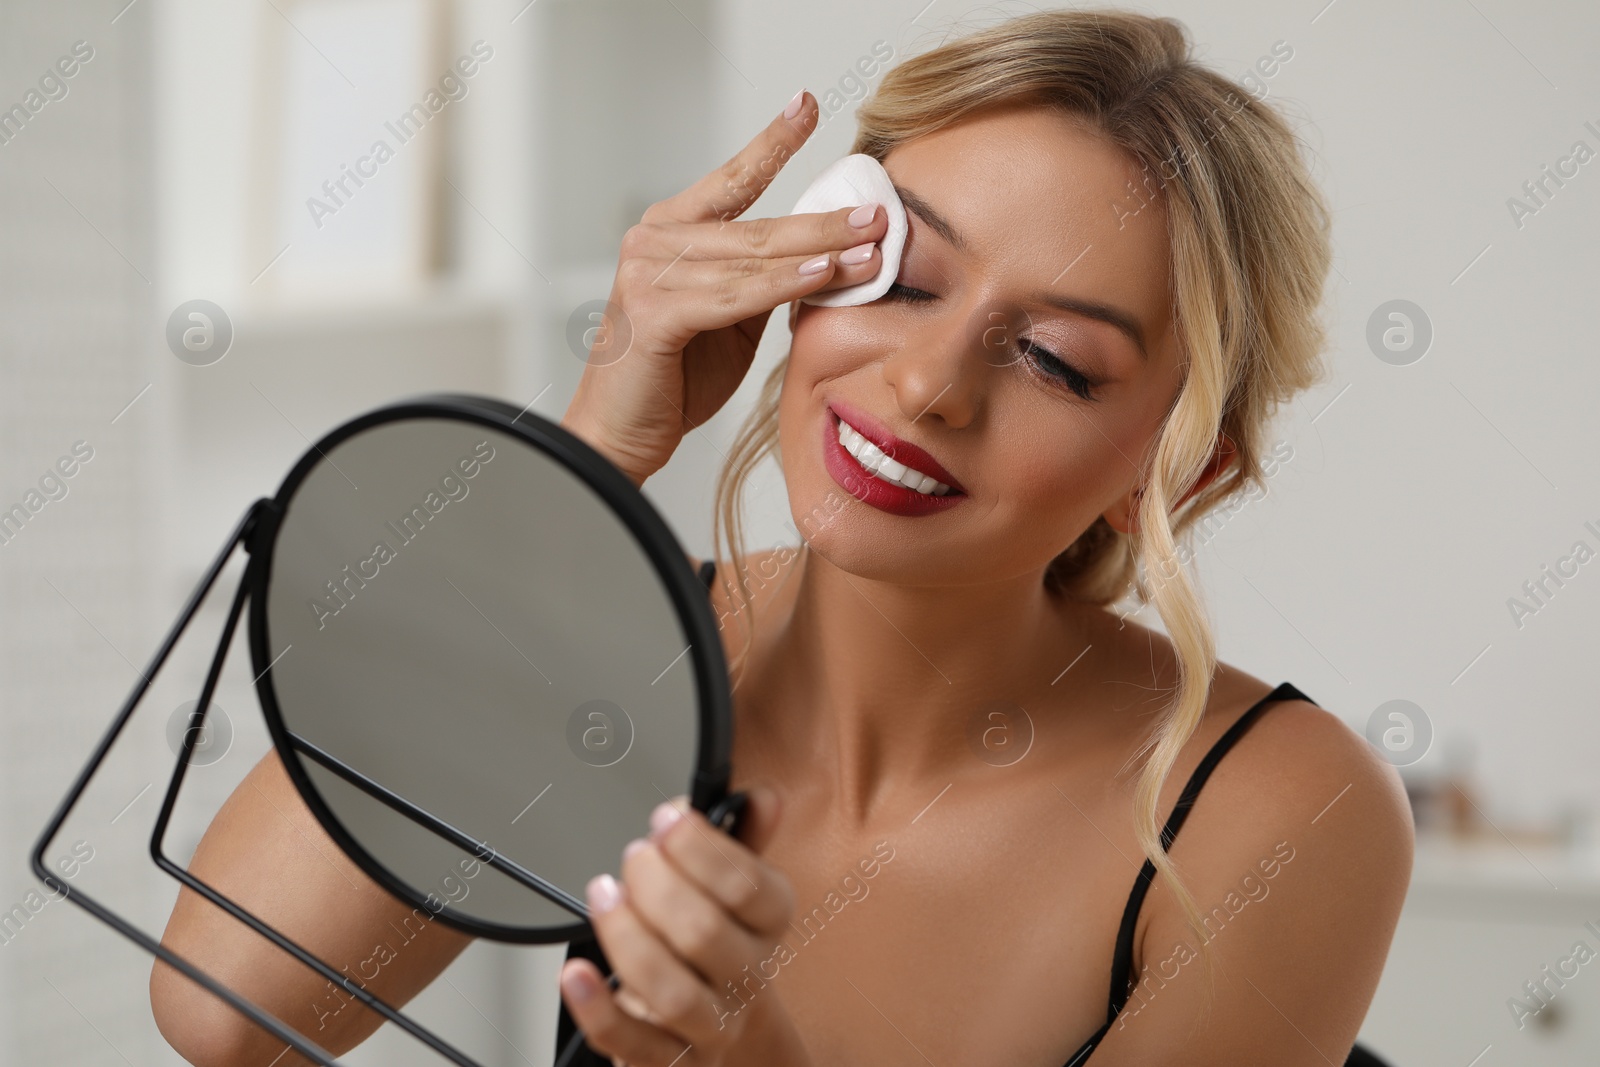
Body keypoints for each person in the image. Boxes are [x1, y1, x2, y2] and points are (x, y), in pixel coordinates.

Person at [150, 9, 1413, 1065]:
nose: (927, 384)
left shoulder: (1273, 809)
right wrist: (591, 447)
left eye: (1054, 359)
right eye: (905, 277)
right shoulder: (611, 655)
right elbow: (225, 1008)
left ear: (1173, 471)